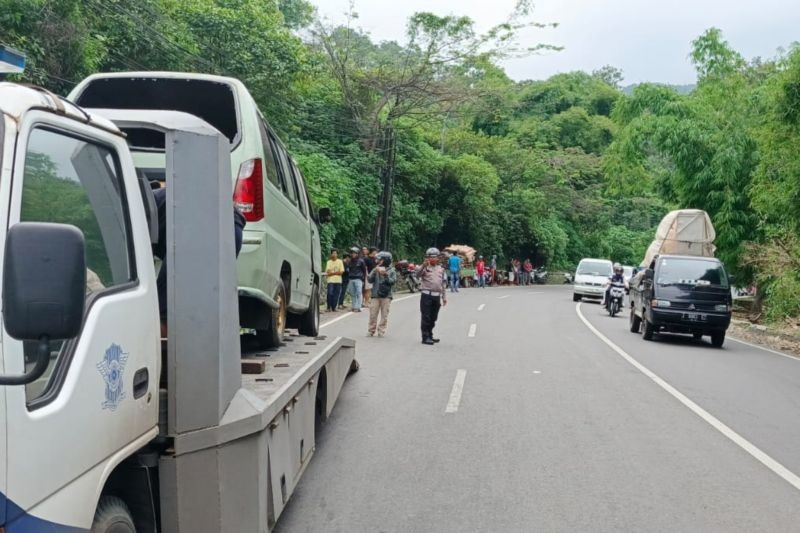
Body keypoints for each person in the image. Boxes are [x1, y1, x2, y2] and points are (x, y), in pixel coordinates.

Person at [153, 187, 245, 337]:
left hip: (200, 229)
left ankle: (167, 353)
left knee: (164, 313)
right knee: (203, 305)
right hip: (233, 230)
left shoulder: (135, 211)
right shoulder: (154, 199)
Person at [417, 247, 448, 345]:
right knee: (426, 316)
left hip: (436, 296)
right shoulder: (424, 268)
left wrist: (444, 297)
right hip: (426, 295)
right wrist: (423, 266)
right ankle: (425, 337)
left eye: (435, 257)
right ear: (427, 258)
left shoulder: (441, 269)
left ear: (438, 258)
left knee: (434, 317)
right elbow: (417, 275)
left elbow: (442, 284)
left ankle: (430, 335)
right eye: (431, 257)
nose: (433, 259)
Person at [367, 251, 397, 337]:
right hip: (375, 295)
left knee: (384, 315)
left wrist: (385, 275)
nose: (378, 261)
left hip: (387, 296)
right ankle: (371, 330)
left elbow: (392, 282)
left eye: (380, 260)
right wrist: (374, 271)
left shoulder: (392, 270)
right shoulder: (376, 268)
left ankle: (381, 331)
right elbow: (369, 279)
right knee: (373, 314)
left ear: (385, 260)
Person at [347, 246, 368, 312]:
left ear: (357, 253)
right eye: (352, 253)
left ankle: (358, 307)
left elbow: (364, 271)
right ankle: (354, 306)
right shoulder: (350, 261)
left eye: (354, 253)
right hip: (351, 279)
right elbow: (349, 270)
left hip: (358, 279)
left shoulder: (361, 261)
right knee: (352, 293)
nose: (353, 254)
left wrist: (364, 280)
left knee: (359, 293)